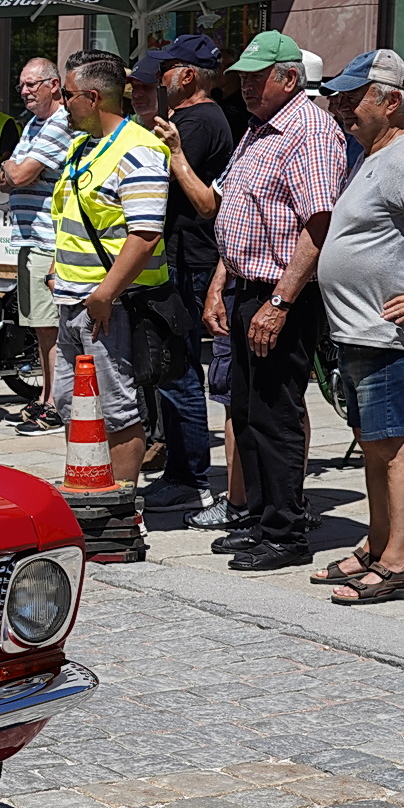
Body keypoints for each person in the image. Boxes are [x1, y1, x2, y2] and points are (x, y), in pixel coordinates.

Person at [187, 31, 347, 571]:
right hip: (248, 286)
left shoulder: (309, 130)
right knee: (248, 411)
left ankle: (285, 532)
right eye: (244, 79)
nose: (247, 88)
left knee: (276, 415)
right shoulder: (259, 128)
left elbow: (319, 224)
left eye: (258, 78)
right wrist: (220, 283)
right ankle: (258, 519)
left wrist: (279, 303)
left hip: (283, 292)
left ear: (290, 78)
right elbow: (236, 211)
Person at [311, 49, 404, 604]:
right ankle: (377, 545)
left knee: (394, 447)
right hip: (358, 331)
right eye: (337, 97)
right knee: (374, 447)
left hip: (386, 335)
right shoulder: (371, 155)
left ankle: (398, 566)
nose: (341, 106)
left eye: (353, 97)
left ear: (390, 102)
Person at [49, 50, 171, 491]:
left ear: (94, 97)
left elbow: (145, 235)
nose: (63, 104)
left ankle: (121, 506)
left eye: (68, 95)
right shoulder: (83, 146)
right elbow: (71, 217)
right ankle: (87, 487)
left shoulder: (138, 151)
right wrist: (56, 270)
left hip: (110, 305)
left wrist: (105, 294)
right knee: (72, 404)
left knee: (116, 409)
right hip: (73, 298)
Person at [143, 35, 235, 517]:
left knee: (178, 367)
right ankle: (182, 469)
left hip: (192, 260)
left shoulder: (198, 121)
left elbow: (174, 184)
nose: (159, 80)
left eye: (166, 70)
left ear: (188, 75)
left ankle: (189, 476)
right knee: (172, 366)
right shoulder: (190, 119)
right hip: (182, 256)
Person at [0, 57, 77, 437]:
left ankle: (56, 404)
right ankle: (47, 395)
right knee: (41, 328)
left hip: (48, 238)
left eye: (32, 84)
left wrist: (13, 169)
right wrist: (13, 171)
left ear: (54, 85)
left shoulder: (60, 122)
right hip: (31, 237)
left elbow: (18, 173)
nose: (25, 92)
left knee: (51, 327)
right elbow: (7, 178)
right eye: (22, 85)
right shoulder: (33, 123)